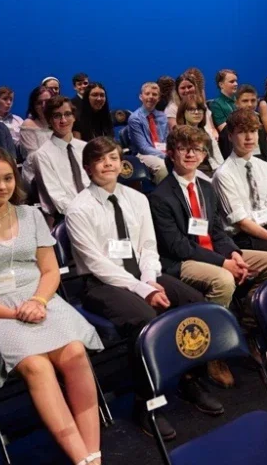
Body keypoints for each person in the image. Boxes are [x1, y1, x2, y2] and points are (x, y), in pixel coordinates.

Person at [0, 147, 103, 465]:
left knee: (75, 353)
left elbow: (50, 270)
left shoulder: (31, 216)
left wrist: (39, 301)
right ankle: (80, 458)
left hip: (39, 299)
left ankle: (93, 455)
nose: (2, 187)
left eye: (7, 179)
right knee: (37, 365)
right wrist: (16, 312)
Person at [65, 136, 220, 440]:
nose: (108, 164)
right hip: (103, 284)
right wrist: (142, 289)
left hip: (143, 275)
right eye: (100, 159)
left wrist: (150, 280)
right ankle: (146, 403)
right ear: (87, 168)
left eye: (113, 157)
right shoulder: (79, 209)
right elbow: (97, 264)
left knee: (194, 302)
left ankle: (189, 379)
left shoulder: (137, 199)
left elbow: (148, 246)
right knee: (145, 321)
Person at [148, 125, 267, 387]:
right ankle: (213, 351)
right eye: (185, 149)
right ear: (173, 153)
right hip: (182, 262)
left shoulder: (207, 188)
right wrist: (225, 263)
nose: (192, 154)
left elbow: (218, 232)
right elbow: (178, 247)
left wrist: (234, 254)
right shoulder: (160, 197)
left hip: (216, 254)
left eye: (197, 149)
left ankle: (246, 328)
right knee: (223, 280)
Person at [213, 110, 267, 258]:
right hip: (244, 237)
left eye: (253, 131)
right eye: (241, 132)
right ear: (230, 136)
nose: (249, 138)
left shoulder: (263, 166)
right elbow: (242, 223)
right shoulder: (223, 174)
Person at [24, 96, 91, 222]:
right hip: (65, 217)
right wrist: (85, 214)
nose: (63, 120)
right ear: (49, 121)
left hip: (93, 211)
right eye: (57, 116)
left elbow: (95, 183)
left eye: (67, 114)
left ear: (74, 117)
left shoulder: (85, 148)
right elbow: (58, 198)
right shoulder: (42, 155)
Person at [217, 85, 267, 164]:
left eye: (253, 100)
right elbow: (228, 157)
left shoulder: (260, 123)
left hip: (262, 163)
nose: (250, 104)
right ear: (236, 103)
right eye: (245, 101)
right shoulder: (228, 128)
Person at [127, 81, 170, 182]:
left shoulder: (162, 116)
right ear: (141, 97)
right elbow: (143, 148)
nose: (151, 97)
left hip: (164, 151)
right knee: (163, 167)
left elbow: (167, 139)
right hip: (143, 154)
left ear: (158, 98)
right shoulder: (135, 118)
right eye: (147, 94)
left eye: (154, 94)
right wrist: (166, 156)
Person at [175, 97, 224, 176]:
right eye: (191, 109)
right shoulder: (178, 135)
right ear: (183, 112)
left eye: (200, 109)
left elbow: (219, 160)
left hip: (213, 173)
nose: (197, 112)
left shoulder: (207, 133)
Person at [20, 85, 55, 156]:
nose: (43, 105)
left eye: (47, 101)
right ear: (34, 106)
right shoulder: (28, 124)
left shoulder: (59, 122)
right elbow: (33, 156)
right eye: (39, 103)